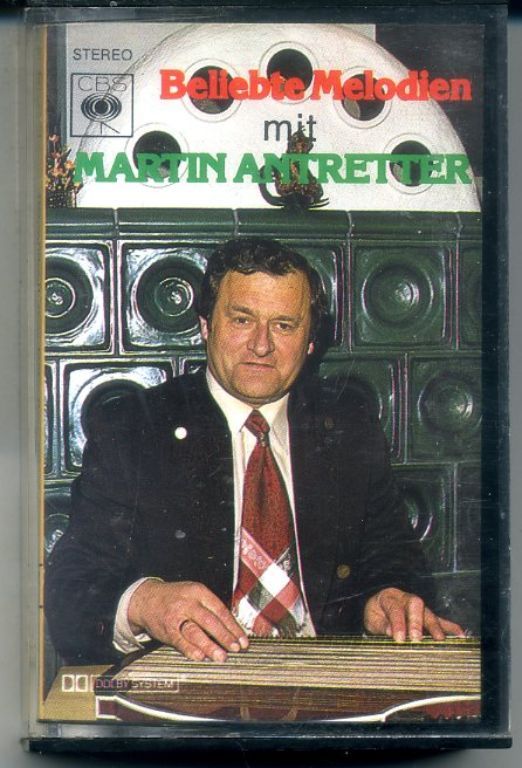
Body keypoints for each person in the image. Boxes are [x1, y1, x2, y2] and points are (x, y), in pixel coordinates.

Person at [45, 237, 464, 665]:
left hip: (327, 676)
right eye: (242, 319)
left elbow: (394, 557)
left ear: (311, 341)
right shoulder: (135, 428)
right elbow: (71, 592)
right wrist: (145, 603)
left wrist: (387, 597)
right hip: (198, 676)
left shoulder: (349, 426)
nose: (261, 345)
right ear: (206, 325)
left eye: (284, 325)